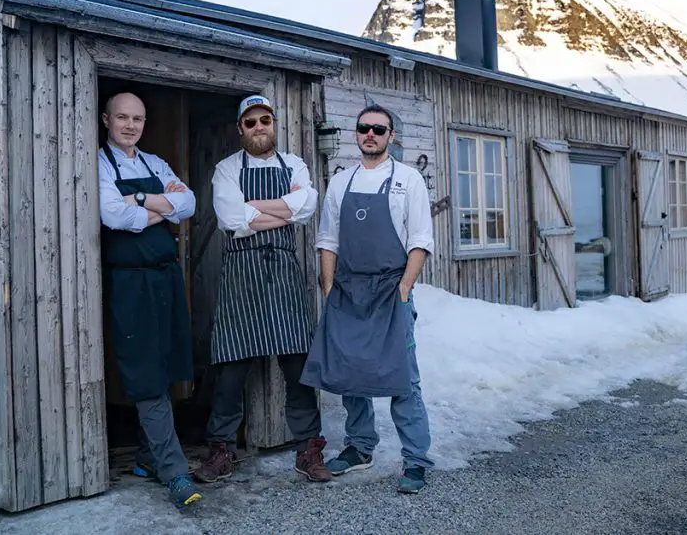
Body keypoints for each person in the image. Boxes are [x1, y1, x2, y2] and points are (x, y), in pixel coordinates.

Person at [193, 94, 333, 484]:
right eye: (251, 122)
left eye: (265, 121)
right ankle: (221, 449)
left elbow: (305, 208)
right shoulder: (226, 169)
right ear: (240, 128)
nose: (259, 128)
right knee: (231, 368)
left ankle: (308, 448)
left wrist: (256, 207)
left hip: (285, 274)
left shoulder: (296, 164)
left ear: (274, 124)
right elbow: (230, 217)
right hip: (242, 274)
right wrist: (281, 210)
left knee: (298, 365)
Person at [300, 103, 435, 494]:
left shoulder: (408, 180)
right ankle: (359, 447)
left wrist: (404, 289)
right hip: (347, 291)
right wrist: (329, 288)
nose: (370, 134)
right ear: (356, 134)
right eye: (364, 128)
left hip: (391, 291)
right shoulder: (341, 183)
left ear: (391, 136)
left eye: (379, 128)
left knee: (403, 379)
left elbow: (420, 241)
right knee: (349, 374)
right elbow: (327, 240)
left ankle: (416, 460)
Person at [98, 91, 202, 509]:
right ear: (106, 120)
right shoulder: (98, 164)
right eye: (122, 117)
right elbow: (111, 215)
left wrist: (140, 201)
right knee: (143, 369)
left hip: (166, 278)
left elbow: (189, 203)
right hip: (128, 282)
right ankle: (174, 472)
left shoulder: (154, 163)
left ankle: (145, 458)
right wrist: (162, 209)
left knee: (168, 363)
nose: (130, 125)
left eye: (137, 119)